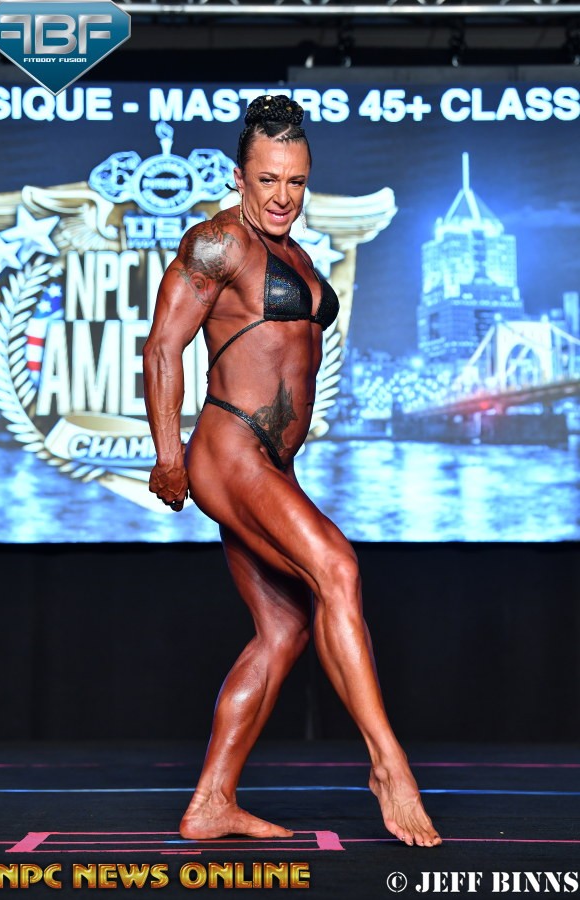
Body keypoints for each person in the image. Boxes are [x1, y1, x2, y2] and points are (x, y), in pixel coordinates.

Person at [143, 94, 442, 848]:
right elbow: (162, 346)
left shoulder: (299, 258)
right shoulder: (218, 242)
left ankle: (211, 801)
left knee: (283, 630)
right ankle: (388, 764)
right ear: (239, 176)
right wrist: (169, 455)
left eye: (296, 182)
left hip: (273, 462)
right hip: (229, 447)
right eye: (268, 179)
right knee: (338, 568)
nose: (283, 196)